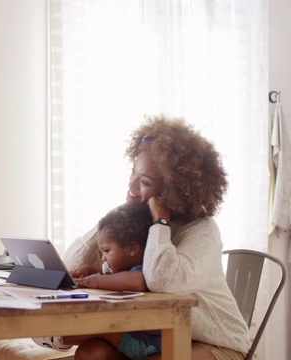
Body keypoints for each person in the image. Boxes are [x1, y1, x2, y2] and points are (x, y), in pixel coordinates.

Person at [61, 115, 251, 360]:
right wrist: (115, 217)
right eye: (133, 173)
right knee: (91, 353)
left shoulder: (201, 230)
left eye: (144, 182)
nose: (131, 185)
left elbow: (162, 280)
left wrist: (161, 222)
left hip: (215, 343)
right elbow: (70, 266)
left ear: (172, 191)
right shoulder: (138, 221)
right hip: (153, 338)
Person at [35, 201, 161, 360]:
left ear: (132, 249)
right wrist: (94, 272)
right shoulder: (126, 271)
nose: (103, 258)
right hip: (136, 340)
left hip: (147, 344)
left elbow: (137, 281)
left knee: (103, 328)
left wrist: (95, 281)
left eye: (107, 251)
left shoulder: (146, 267)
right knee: (91, 345)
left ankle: (61, 337)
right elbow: (119, 280)